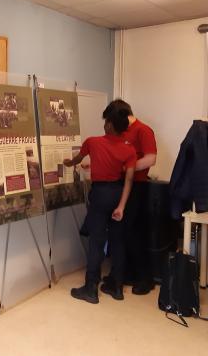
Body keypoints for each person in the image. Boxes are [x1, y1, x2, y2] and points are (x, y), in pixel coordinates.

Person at [64, 105, 136, 303]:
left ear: (110, 125)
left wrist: (67, 163)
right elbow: (128, 181)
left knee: (96, 241)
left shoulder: (93, 142)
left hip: (100, 195)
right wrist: (121, 206)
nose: (104, 125)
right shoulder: (129, 150)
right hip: (118, 194)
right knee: (118, 241)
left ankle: (91, 288)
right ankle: (117, 288)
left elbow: (75, 160)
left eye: (106, 121)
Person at [102, 99, 157, 295]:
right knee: (120, 232)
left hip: (137, 186)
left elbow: (151, 158)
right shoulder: (122, 131)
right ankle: (123, 274)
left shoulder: (143, 130)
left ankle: (145, 278)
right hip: (119, 186)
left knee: (134, 234)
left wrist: (127, 168)